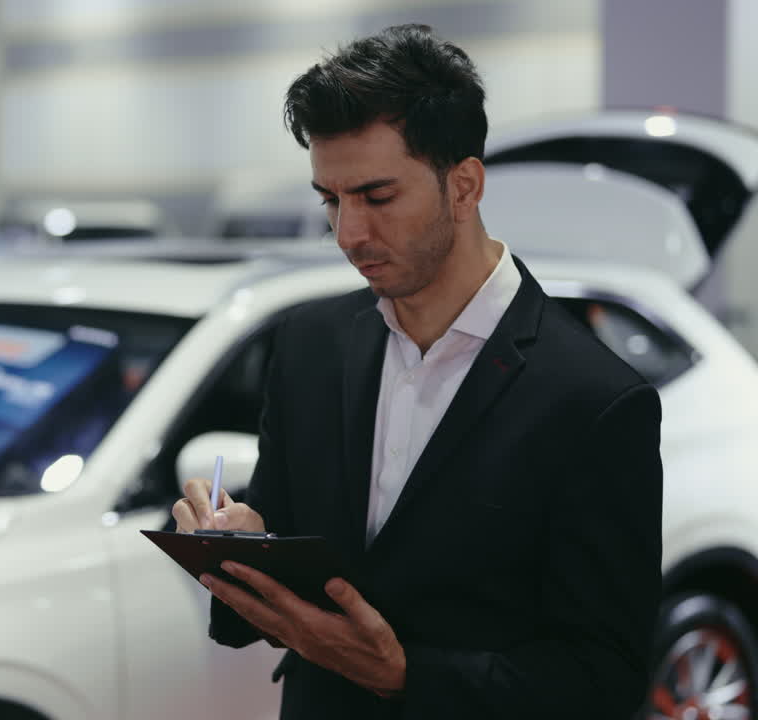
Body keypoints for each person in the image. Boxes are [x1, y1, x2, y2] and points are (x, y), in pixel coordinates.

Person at [172, 24, 662, 719]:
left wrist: (407, 675)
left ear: (464, 185)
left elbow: (605, 679)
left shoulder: (595, 400)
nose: (347, 233)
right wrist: (241, 545)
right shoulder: (309, 346)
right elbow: (285, 558)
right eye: (330, 200)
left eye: (376, 197)